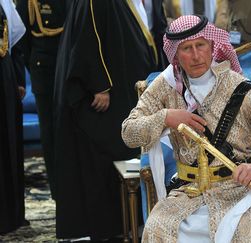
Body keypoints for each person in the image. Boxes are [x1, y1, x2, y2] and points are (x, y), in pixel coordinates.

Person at [121, 15, 251, 242]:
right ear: (176, 54)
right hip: (187, 192)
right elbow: (129, 132)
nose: (196, 55)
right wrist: (166, 117)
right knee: (157, 227)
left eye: (201, 45)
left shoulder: (239, 87)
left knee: (244, 233)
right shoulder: (165, 87)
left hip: (238, 191)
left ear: (212, 45)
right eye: (187, 48)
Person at [52, 0, 167, 240]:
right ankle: (111, 226)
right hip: (107, 95)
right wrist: (99, 84)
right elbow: (87, 36)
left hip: (128, 86)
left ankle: (131, 222)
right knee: (107, 157)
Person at [15, 0, 70, 201]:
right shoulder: (28, 2)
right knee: (50, 135)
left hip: (70, 72)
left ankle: (73, 188)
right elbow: (22, 40)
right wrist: (34, 68)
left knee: (71, 131)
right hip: (43, 71)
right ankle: (58, 191)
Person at [0, 0, 26, 234]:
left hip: (4, 75)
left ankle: (11, 214)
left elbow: (15, 39)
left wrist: (18, 78)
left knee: (8, 142)